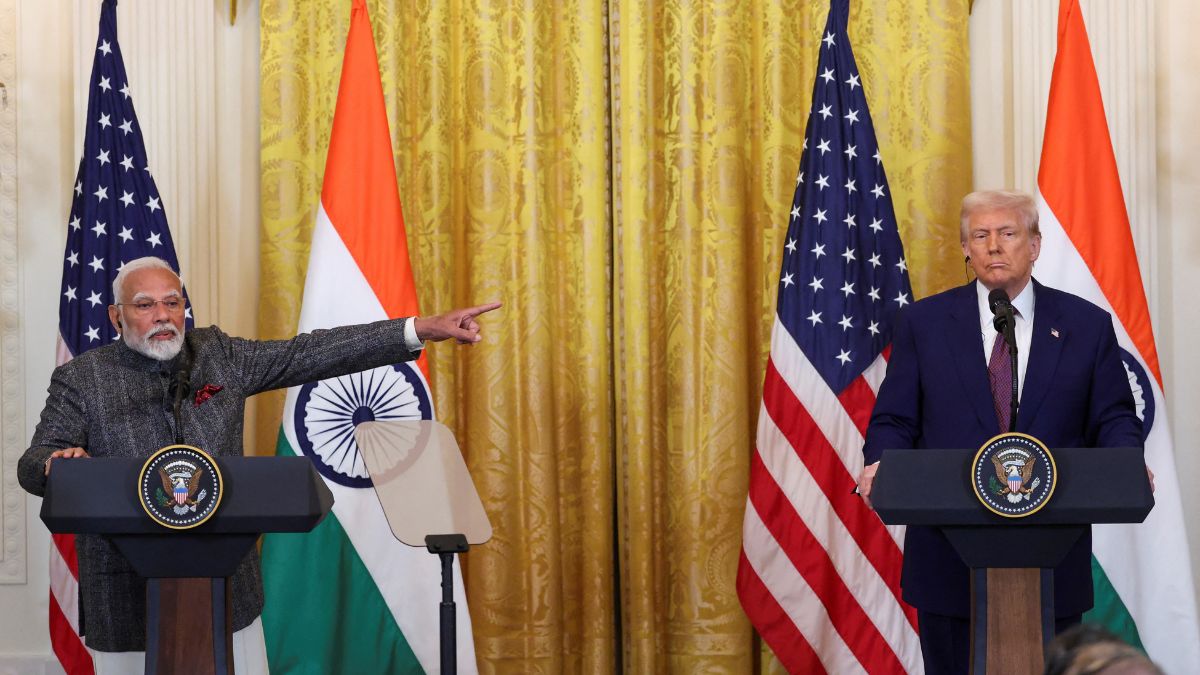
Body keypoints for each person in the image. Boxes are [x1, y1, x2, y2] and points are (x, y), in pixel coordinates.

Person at [17, 256, 500, 674]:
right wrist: (57, 464)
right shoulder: (82, 378)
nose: (163, 315)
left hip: (228, 593)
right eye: (145, 305)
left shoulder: (218, 355)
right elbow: (34, 461)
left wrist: (418, 329)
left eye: (173, 302)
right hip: (126, 597)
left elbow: (309, 352)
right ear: (116, 315)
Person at [855, 190, 1144, 675]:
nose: (993, 246)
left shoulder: (1085, 324)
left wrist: (1126, 464)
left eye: (1008, 233)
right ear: (965, 249)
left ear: (1034, 245)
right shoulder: (923, 323)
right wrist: (881, 462)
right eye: (980, 235)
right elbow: (895, 418)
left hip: (1053, 559)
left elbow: (1114, 416)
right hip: (947, 562)